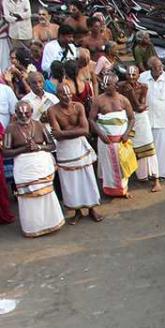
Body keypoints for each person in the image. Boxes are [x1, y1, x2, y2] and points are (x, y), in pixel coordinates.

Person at [3, 100, 63, 237]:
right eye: (20, 113)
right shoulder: (10, 129)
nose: (24, 116)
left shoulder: (39, 125)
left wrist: (39, 147)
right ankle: (33, 228)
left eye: (27, 112)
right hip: (23, 168)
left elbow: (52, 145)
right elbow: (5, 152)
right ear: (16, 113)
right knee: (28, 198)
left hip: (40, 165)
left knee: (46, 195)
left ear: (31, 112)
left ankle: (51, 223)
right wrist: (23, 149)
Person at [46, 82, 100, 223]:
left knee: (87, 178)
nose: (67, 96)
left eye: (69, 93)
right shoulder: (52, 110)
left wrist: (64, 132)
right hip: (65, 151)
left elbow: (85, 130)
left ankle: (92, 209)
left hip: (80, 148)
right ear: (58, 95)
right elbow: (57, 135)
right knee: (70, 182)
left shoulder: (79, 106)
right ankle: (77, 211)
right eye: (63, 94)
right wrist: (73, 131)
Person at [89, 73, 133, 199]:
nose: (104, 86)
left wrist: (126, 134)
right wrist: (101, 134)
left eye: (108, 84)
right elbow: (91, 119)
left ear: (116, 86)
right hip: (105, 141)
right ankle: (108, 191)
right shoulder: (98, 100)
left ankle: (123, 190)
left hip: (121, 141)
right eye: (104, 84)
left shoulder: (123, 100)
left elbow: (131, 118)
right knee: (107, 167)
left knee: (122, 165)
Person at [119, 66, 160, 192]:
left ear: (138, 75)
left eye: (134, 75)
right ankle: (134, 178)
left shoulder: (143, 86)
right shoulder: (121, 86)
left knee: (149, 149)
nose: (131, 77)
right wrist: (131, 93)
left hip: (141, 120)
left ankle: (156, 180)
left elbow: (139, 105)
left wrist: (132, 93)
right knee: (127, 149)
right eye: (128, 75)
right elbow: (137, 106)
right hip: (128, 119)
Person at [140, 56, 165, 181]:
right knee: (148, 147)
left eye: (161, 67)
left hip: (163, 118)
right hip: (147, 117)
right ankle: (149, 172)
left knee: (162, 148)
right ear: (150, 68)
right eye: (156, 68)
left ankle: (161, 173)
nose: (159, 69)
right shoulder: (143, 77)